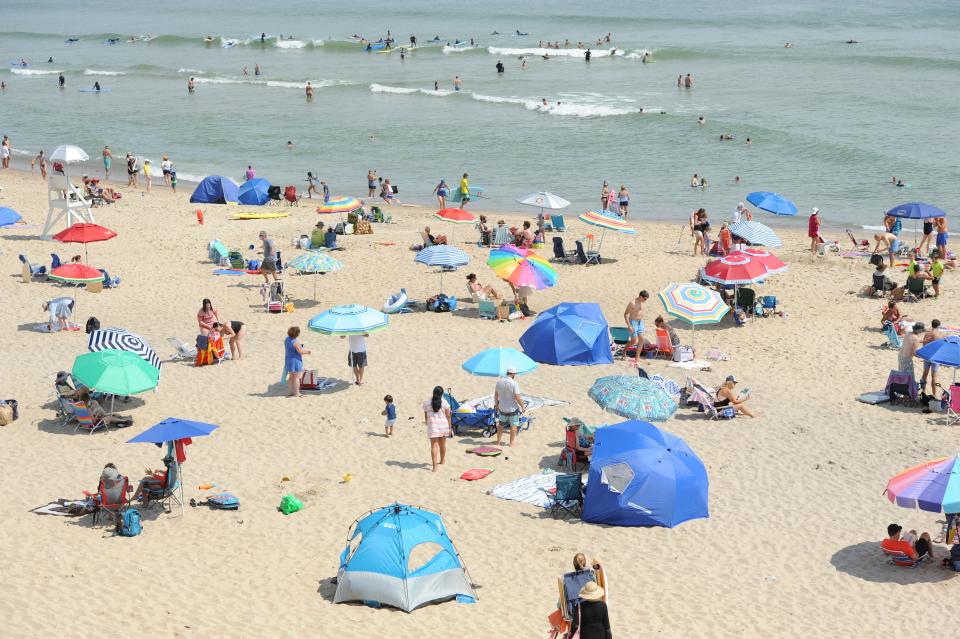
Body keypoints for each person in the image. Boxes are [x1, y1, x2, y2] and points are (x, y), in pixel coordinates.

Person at [495, 368, 526, 447]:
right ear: (513, 374)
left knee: (500, 425)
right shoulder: (514, 383)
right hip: (512, 408)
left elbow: (496, 395)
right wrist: (523, 406)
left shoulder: (499, 382)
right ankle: (511, 443)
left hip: (502, 407)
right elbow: (517, 397)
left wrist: (496, 405)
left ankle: (498, 442)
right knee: (513, 426)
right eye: (515, 374)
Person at [423, 386, 452, 472]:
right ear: (442, 394)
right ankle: (442, 460)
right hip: (443, 425)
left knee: (434, 446)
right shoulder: (445, 402)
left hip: (433, 426)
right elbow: (448, 416)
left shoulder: (427, 403)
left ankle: (434, 467)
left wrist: (428, 423)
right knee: (442, 444)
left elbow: (426, 416)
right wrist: (450, 427)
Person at [624, 291, 650, 362]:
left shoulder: (642, 302)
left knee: (641, 339)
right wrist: (629, 326)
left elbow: (640, 312)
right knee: (634, 341)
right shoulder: (632, 303)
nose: (645, 300)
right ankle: (624, 351)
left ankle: (637, 357)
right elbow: (626, 314)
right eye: (645, 299)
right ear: (641, 297)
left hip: (640, 322)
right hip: (633, 322)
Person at [920, 319, 943, 397]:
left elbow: (924, 344)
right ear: (938, 326)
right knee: (934, 376)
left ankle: (923, 391)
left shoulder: (927, 333)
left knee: (924, 374)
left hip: (926, 356)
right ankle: (934, 394)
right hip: (934, 357)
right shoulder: (937, 335)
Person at [285, 327, 310, 398]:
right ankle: (297, 393)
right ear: (297, 334)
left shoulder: (287, 339)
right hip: (295, 361)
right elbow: (300, 352)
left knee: (291, 377)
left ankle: (290, 392)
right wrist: (308, 352)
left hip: (288, 360)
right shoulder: (296, 342)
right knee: (297, 377)